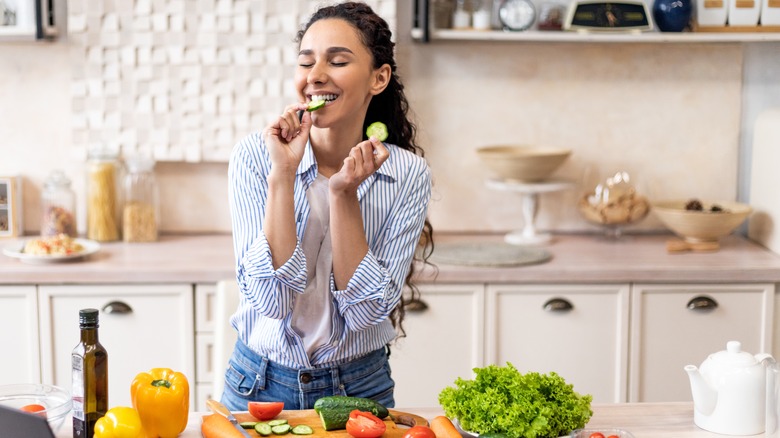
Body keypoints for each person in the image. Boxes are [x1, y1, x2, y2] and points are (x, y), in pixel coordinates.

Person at [223, 1, 434, 411]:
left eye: (337, 61)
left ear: (379, 78)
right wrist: (283, 175)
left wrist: (343, 195)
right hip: (257, 386)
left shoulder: (408, 174)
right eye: (305, 63)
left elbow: (367, 312)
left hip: (360, 388)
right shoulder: (255, 156)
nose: (315, 76)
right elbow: (271, 301)